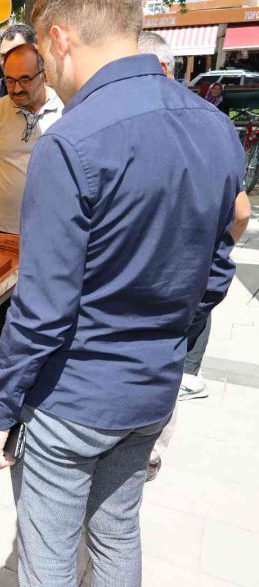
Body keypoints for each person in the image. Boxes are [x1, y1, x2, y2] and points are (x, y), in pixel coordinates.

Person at [0, 2, 242, 587]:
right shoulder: (214, 127)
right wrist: (163, 339)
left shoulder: (71, 142)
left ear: (61, 40)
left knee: (48, 556)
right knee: (118, 534)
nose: (44, 72)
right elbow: (215, 271)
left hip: (72, 395)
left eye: (41, 57)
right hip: (151, 390)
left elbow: (43, 310)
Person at [137, 31, 253, 482]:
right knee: (168, 365)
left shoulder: (126, 126)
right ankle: (150, 450)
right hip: (185, 286)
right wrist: (211, 255)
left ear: (163, 71)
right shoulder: (215, 124)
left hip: (147, 287)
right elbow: (240, 212)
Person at [0, 43, 64, 378]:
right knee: (1, 294)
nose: (16, 88)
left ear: (45, 73)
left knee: (44, 292)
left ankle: (43, 357)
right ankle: (0, 350)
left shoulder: (68, 109)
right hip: (2, 223)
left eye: (25, 79)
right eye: (9, 80)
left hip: (52, 225)